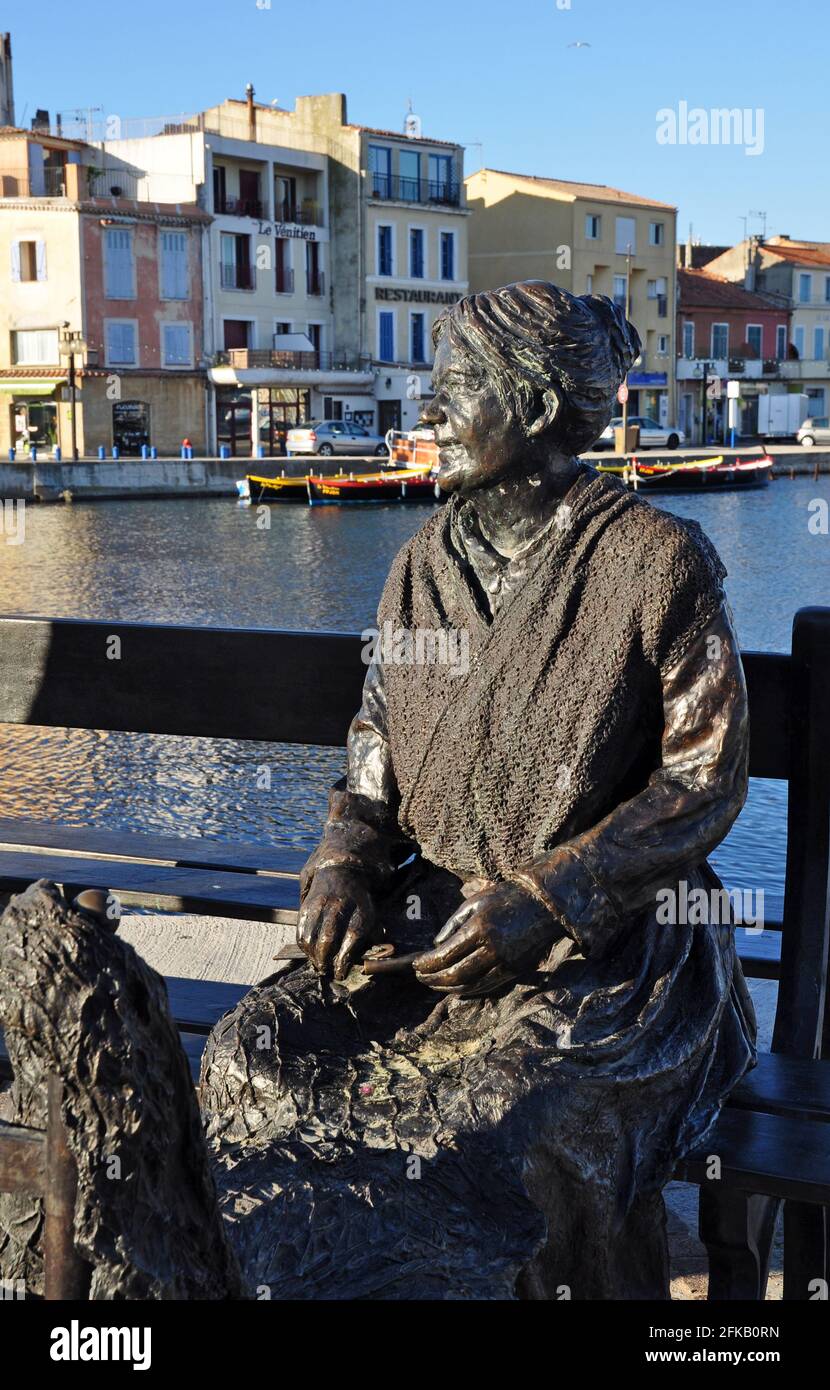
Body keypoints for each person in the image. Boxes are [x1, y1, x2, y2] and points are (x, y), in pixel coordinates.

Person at [201, 281, 756, 1299]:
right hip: (434, 933)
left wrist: (550, 896)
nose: (429, 410)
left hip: (608, 954)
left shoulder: (656, 562)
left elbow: (702, 777)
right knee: (253, 1049)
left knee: (495, 1119)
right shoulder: (418, 566)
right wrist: (342, 861)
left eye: (457, 386)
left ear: (539, 408)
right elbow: (375, 750)